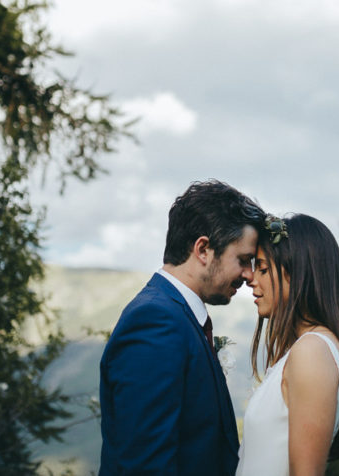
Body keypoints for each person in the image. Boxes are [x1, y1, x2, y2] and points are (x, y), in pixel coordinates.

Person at [98, 180, 265, 476]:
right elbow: (144, 464)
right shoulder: (154, 321)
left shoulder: (178, 317)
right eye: (242, 260)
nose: (249, 274)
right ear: (203, 249)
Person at [236, 213, 339, 476]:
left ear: (298, 272)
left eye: (264, 269)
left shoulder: (312, 352)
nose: (252, 280)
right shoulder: (307, 349)